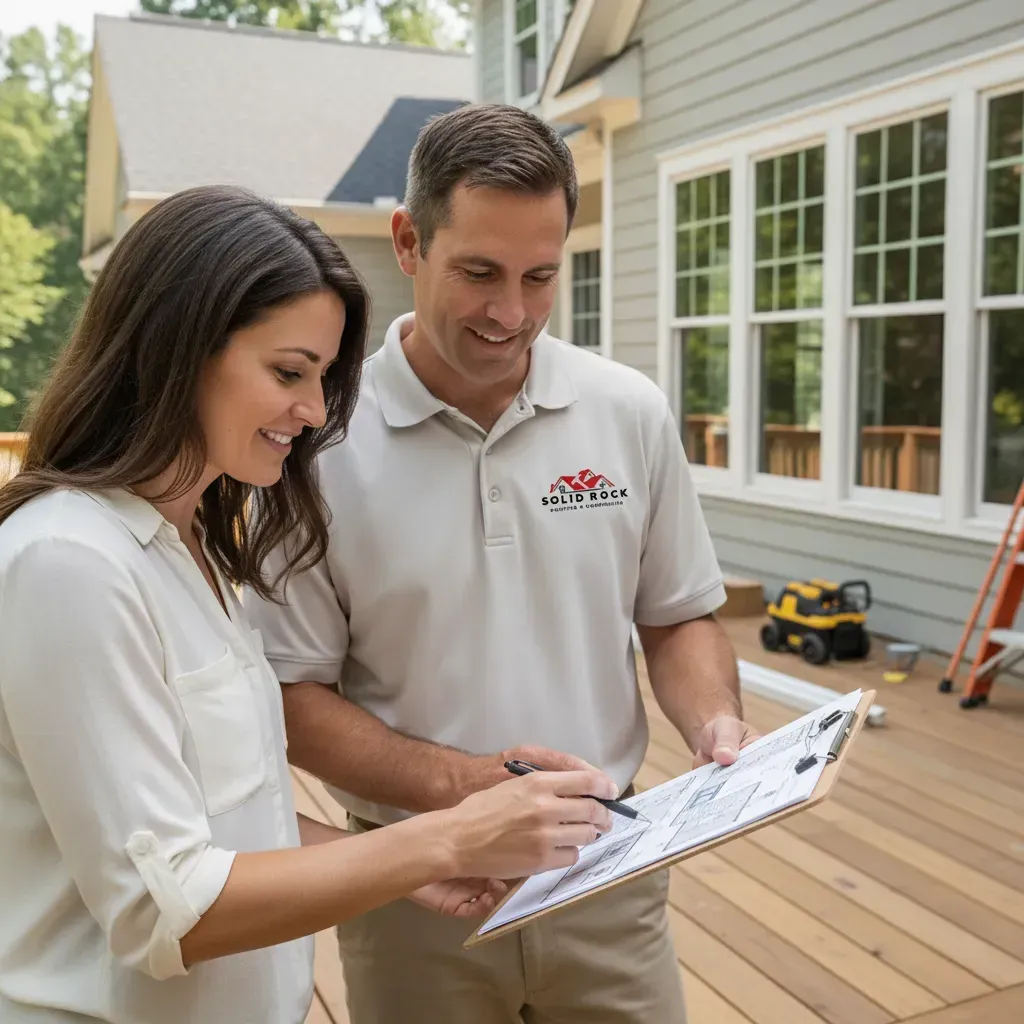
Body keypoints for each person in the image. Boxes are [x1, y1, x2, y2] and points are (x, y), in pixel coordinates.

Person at [0, 184, 621, 1024]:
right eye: (289, 372)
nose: (315, 411)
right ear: (173, 350)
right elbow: (162, 908)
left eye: (324, 377)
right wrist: (447, 836)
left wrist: (406, 865)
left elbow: (222, 822)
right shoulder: (69, 562)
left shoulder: (192, 553)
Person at [244, 104, 761, 1023]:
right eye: (478, 271)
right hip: (416, 884)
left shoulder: (627, 412)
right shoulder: (311, 443)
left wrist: (716, 722)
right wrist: (469, 792)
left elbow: (676, 613)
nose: (510, 313)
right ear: (408, 242)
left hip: (610, 867)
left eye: (540, 276)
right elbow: (289, 698)